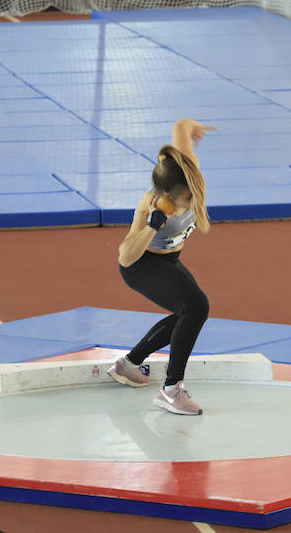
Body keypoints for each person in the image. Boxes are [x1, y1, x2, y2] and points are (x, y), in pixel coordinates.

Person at [109, 118, 213, 416]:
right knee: (196, 307)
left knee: (191, 311)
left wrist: (192, 127)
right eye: (185, 198)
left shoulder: (187, 171)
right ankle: (170, 390)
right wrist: (152, 226)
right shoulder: (152, 204)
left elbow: (181, 128)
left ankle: (128, 365)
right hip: (142, 266)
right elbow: (126, 256)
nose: (191, 199)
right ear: (167, 194)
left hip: (169, 260)